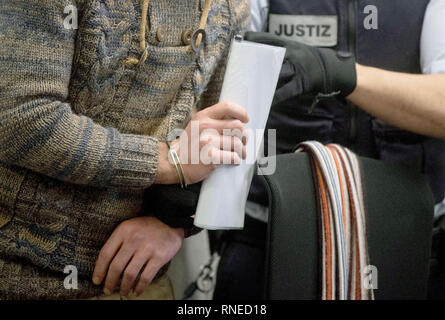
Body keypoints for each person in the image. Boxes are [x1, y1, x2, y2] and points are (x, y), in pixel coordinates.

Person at [0, 0, 250, 299]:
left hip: (142, 281)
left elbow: (233, 136)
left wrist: (173, 222)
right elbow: (22, 120)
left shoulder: (232, 7)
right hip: (21, 275)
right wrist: (168, 161)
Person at [213, 0, 445, 299]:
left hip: (408, 240)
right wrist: (175, 215)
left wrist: (339, 72)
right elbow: (207, 86)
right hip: (271, 233)